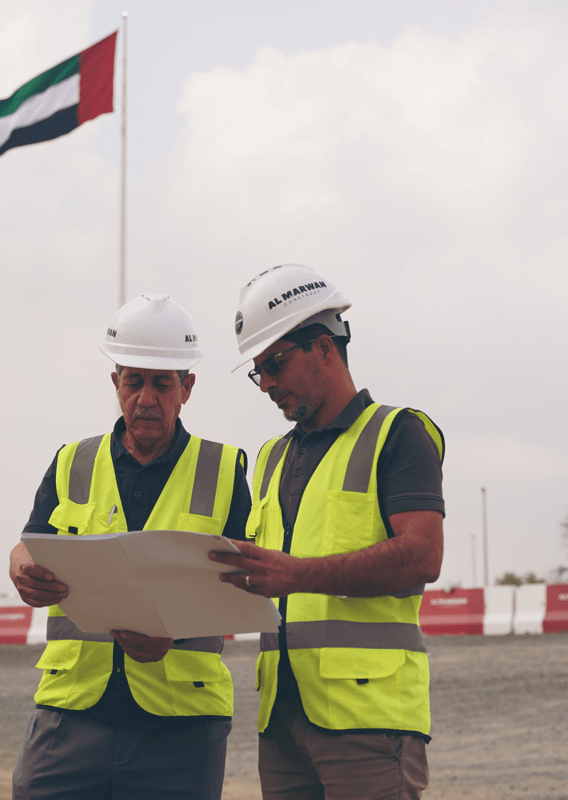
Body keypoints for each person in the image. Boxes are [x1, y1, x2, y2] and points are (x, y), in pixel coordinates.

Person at [210, 264, 445, 800]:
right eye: (258, 371)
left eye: (275, 364)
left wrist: (296, 575)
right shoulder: (270, 458)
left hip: (368, 718)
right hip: (282, 717)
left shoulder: (397, 433)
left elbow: (422, 555)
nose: (266, 383)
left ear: (323, 347)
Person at [8, 293, 254, 800]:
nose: (145, 398)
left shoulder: (224, 471)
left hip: (180, 726)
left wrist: (175, 636)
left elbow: (244, 590)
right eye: (133, 381)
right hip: (70, 714)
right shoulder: (72, 461)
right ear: (115, 382)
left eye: (162, 383)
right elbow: (29, 544)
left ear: (186, 388)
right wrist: (23, 568)